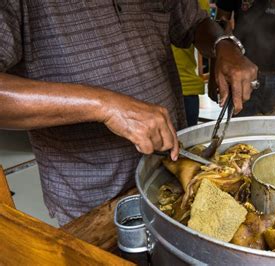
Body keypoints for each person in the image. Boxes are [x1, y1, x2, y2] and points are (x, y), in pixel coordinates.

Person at [0, 0, 257, 225]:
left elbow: (194, 22)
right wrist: (105, 105)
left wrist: (223, 44)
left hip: (170, 173)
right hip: (96, 200)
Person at [172, 0, 209, 127]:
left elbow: (205, 31)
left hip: (187, 87)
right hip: (146, 90)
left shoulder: (198, 3)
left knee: (187, 144)